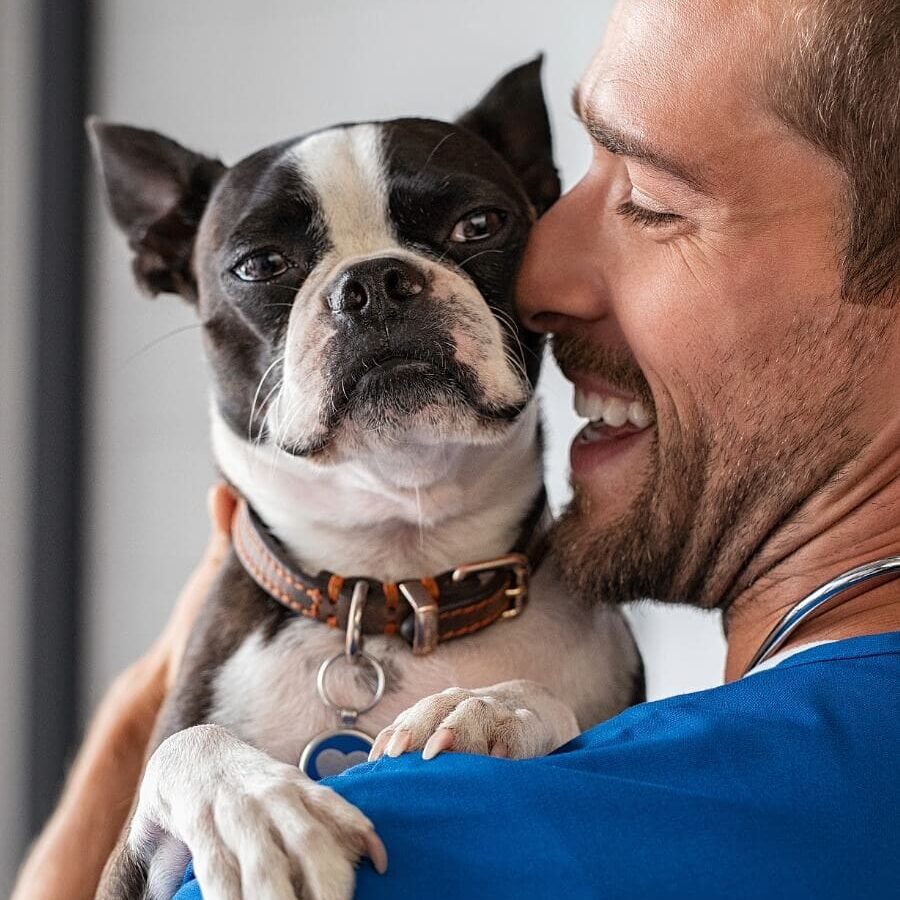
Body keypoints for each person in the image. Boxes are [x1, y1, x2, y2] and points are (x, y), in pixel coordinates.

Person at [14, 0, 899, 897]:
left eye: (654, 203)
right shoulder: (763, 768)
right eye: (266, 267)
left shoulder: (423, 845)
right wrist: (151, 740)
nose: (550, 274)